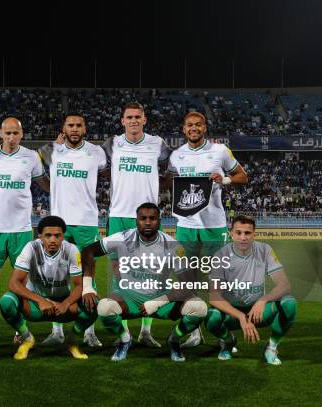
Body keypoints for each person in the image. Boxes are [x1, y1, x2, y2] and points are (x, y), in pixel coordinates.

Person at [81, 202, 207, 362]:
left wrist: (158, 302)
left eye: (152, 218)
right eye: (143, 218)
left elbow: (188, 285)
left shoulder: (173, 246)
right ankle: (125, 339)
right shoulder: (122, 238)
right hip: (128, 297)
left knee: (199, 308)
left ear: (159, 221)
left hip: (160, 296)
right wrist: (87, 287)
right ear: (136, 221)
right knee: (104, 308)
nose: (147, 222)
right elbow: (88, 251)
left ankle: (174, 339)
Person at [166, 111, 248, 348]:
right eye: (189, 125)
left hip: (214, 225)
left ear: (205, 127)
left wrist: (225, 180)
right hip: (186, 225)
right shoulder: (176, 156)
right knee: (186, 281)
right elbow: (169, 182)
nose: (194, 128)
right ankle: (193, 331)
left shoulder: (220, 151)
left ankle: (221, 332)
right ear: (183, 129)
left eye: (198, 124)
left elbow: (243, 176)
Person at [0, 117, 50, 343]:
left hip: (22, 230)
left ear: (22, 134)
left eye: (15, 133)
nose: (11, 137)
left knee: (24, 282)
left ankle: (20, 329)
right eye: (7, 133)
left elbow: (45, 183)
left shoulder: (31, 157)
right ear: (0, 133)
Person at [102, 102, 172, 347]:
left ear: (144, 120)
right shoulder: (112, 144)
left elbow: (175, 163)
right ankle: (124, 333)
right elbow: (85, 154)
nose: (133, 121)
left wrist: (158, 185)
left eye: (137, 117)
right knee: (118, 276)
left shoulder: (158, 144)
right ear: (122, 121)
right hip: (119, 215)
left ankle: (145, 330)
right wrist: (54, 147)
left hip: (148, 217)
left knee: (151, 274)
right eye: (129, 117)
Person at [38, 113, 107, 347]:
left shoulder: (97, 153)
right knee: (55, 275)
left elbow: (105, 170)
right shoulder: (52, 151)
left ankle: (89, 331)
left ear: (85, 128)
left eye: (79, 125)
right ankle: (56, 328)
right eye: (70, 125)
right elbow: (40, 153)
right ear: (63, 128)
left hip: (86, 221)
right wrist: (53, 145)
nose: (75, 129)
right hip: (58, 222)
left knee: (88, 274)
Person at [0, 216, 96, 360]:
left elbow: (79, 285)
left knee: (94, 305)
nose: (53, 240)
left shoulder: (71, 249)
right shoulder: (31, 247)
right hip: (35, 305)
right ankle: (27, 339)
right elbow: (13, 283)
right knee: (6, 302)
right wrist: (40, 300)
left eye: (57, 236)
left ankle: (71, 342)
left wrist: (66, 303)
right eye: (48, 235)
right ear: (40, 236)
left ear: (63, 236)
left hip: (62, 306)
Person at [206, 214, 297, 365]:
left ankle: (272, 347)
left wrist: (263, 299)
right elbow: (214, 297)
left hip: (258, 312)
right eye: (238, 232)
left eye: (247, 233)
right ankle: (228, 342)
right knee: (211, 318)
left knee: (289, 303)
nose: (243, 237)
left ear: (254, 234)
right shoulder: (220, 255)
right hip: (232, 314)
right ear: (231, 234)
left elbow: (285, 285)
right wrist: (241, 317)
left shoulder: (264, 250)